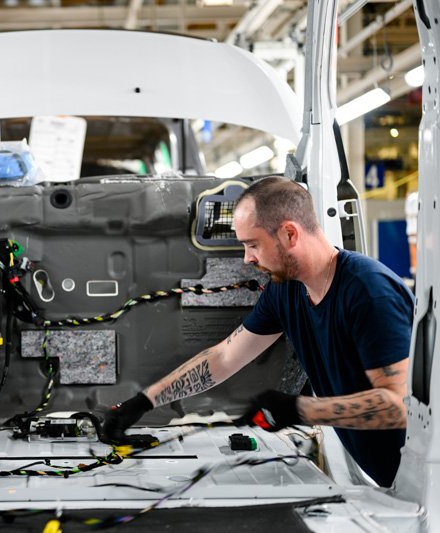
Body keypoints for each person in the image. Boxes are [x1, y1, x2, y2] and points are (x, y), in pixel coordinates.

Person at [104, 176, 414, 487]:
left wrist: (300, 409)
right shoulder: (287, 291)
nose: (247, 259)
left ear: (289, 233)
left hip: (424, 483)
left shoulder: (369, 293)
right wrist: (143, 402)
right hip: (389, 480)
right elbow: (224, 357)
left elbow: (402, 407)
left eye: (253, 244)